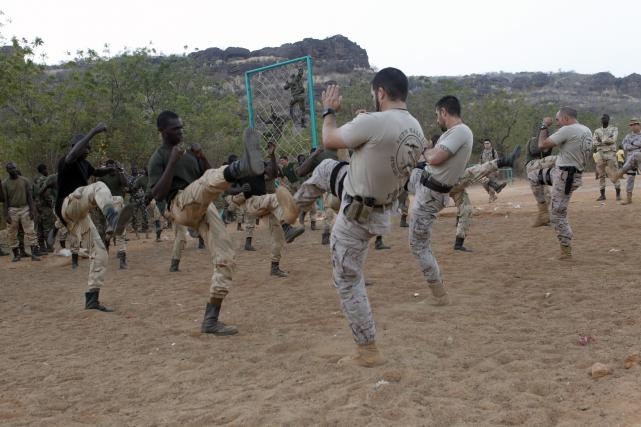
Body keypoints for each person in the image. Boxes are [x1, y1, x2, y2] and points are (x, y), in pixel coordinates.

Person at [321, 68, 425, 367]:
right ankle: (295, 206)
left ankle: (367, 350)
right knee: (324, 171)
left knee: (347, 280)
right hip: (381, 211)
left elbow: (329, 139)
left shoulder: (374, 122)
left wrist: (329, 111)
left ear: (380, 92)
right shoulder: (416, 128)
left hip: (357, 212)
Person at [148, 110, 265, 335]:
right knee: (204, 183)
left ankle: (210, 320)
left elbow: (210, 177)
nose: (181, 132)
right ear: (162, 131)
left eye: (181, 127)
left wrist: (201, 157)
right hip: (178, 204)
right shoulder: (158, 157)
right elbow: (158, 194)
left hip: (201, 204)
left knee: (226, 258)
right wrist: (172, 162)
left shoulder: (188, 155)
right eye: (175, 128)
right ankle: (241, 166)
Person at [55, 124, 134, 311]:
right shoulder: (66, 160)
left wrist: (110, 169)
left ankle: (92, 298)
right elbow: (73, 155)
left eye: (89, 148)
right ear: (76, 146)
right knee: (98, 187)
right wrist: (94, 131)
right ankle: (113, 219)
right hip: (67, 205)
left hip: (77, 216)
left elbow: (96, 172)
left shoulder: (85, 164)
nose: (88, 150)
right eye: (86, 147)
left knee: (100, 252)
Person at [407, 95, 472, 310]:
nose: (437, 120)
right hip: (425, 183)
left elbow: (434, 158)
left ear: (444, 112)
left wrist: (426, 149)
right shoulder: (452, 133)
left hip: (431, 194)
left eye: (437, 115)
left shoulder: (461, 131)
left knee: (418, 244)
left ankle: (439, 295)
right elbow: (430, 159)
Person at [225, 142, 305, 277]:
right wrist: (240, 188)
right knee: (275, 197)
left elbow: (273, 173)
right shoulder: (239, 168)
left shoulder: (259, 165)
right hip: (253, 202)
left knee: (278, 237)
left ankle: (274, 267)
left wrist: (272, 155)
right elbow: (228, 189)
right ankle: (287, 227)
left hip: (265, 205)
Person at [527, 108, 592, 259]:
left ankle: (566, 249)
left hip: (565, 178)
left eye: (558, 119)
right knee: (533, 176)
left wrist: (544, 125)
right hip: (565, 173)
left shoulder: (568, 130)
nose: (557, 123)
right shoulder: (586, 130)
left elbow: (542, 145)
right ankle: (543, 212)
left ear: (566, 118)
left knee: (557, 214)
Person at [2, 162, 41, 261]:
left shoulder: (25, 180)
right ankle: (16, 255)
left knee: (31, 231)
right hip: (12, 210)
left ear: (16, 168)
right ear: (7, 171)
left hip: (25, 208)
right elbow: (5, 200)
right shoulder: (5, 184)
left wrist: (32, 210)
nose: (13, 170)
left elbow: (29, 197)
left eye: (14, 168)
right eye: (11, 169)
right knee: (11, 233)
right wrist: (6, 215)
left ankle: (34, 254)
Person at [98, 159, 130, 269]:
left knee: (119, 231)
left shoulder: (118, 174)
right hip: (108, 204)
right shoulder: (102, 177)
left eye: (113, 166)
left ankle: (122, 260)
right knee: (116, 231)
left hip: (118, 202)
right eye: (109, 167)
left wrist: (121, 172)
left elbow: (126, 184)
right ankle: (108, 243)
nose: (111, 169)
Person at [612, 117, 641, 204]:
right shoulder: (628, 136)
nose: (633, 126)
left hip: (639, 159)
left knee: (636, 154)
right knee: (630, 178)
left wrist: (632, 144)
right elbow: (625, 146)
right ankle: (629, 198)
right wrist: (636, 146)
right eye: (631, 125)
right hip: (630, 160)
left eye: (635, 124)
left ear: (639, 125)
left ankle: (619, 173)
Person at [593, 114, 621, 201]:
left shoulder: (614, 129)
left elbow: (613, 140)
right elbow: (594, 142)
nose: (603, 119)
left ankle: (618, 195)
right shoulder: (597, 131)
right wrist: (606, 141)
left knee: (614, 173)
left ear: (608, 119)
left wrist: (601, 141)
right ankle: (602, 195)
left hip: (610, 154)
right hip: (600, 154)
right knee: (601, 175)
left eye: (605, 118)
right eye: (602, 118)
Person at [33, 164, 56, 253]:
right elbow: (46, 194)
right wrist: (51, 204)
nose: (47, 171)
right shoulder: (45, 180)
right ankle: (49, 246)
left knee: (40, 228)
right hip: (45, 207)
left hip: (37, 207)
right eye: (46, 169)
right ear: (43, 170)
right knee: (48, 227)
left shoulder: (35, 180)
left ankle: (42, 246)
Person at [478, 139, 507, 203]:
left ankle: (491, 197)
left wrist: (497, 170)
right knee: (484, 183)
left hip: (492, 171)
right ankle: (496, 191)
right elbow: (480, 162)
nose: (486, 145)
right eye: (485, 143)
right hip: (484, 171)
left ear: (490, 144)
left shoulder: (493, 151)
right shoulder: (482, 152)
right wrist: (479, 169)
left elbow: (497, 161)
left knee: (491, 183)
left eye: (487, 143)